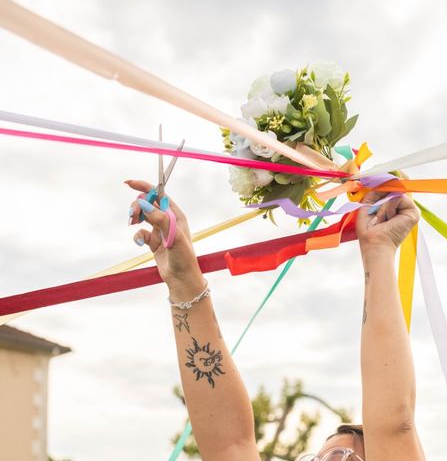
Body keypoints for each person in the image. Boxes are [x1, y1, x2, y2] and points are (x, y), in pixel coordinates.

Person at [127, 179, 425, 461]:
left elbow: (392, 425)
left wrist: (378, 250)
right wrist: (183, 281)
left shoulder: (392, 435)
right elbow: (230, 446)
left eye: (338, 457)